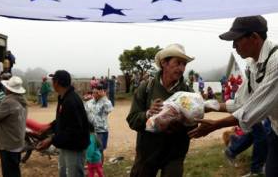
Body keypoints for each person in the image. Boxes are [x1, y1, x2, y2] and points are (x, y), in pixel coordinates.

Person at [188, 15, 278, 177]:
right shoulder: (253, 65)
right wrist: (206, 106)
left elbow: (251, 111)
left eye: (237, 39)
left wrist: (215, 125)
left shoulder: (276, 62)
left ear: (254, 37)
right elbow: (240, 103)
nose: (233, 45)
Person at [126, 43, 195, 177]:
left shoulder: (188, 93)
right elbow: (132, 119)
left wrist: (181, 121)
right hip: (147, 154)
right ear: (164, 63)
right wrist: (148, 114)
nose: (181, 68)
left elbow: (194, 125)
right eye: (178, 63)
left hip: (174, 155)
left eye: (184, 64)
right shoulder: (146, 88)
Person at [36, 70, 90, 177]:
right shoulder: (63, 97)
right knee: (63, 172)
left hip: (74, 147)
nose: (52, 82)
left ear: (57, 83)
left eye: (53, 80)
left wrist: (51, 140)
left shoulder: (71, 101)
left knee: (74, 174)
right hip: (65, 144)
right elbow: (63, 119)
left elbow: (74, 130)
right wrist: (50, 126)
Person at [85, 85, 113, 163]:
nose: (94, 94)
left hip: (102, 131)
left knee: (100, 150)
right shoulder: (88, 103)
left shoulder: (106, 102)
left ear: (101, 92)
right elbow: (84, 114)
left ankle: (99, 167)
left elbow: (109, 109)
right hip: (90, 131)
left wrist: (104, 97)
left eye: (96, 92)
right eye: (93, 92)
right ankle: (91, 167)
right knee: (90, 149)